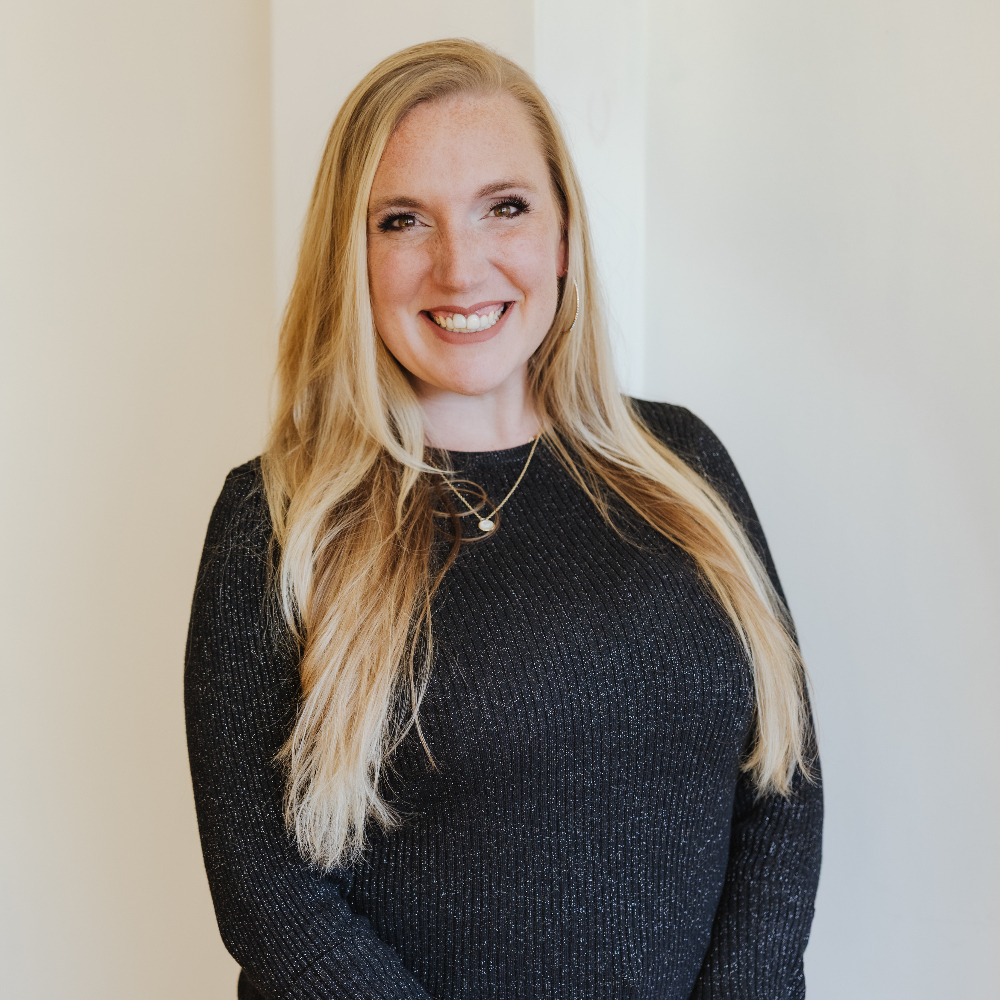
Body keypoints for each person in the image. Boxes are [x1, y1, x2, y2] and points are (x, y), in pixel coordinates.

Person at [185, 38, 822, 1000]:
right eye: (403, 221)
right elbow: (266, 895)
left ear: (563, 235)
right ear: (349, 256)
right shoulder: (279, 519)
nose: (459, 266)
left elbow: (784, 780)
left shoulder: (681, 465)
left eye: (505, 208)